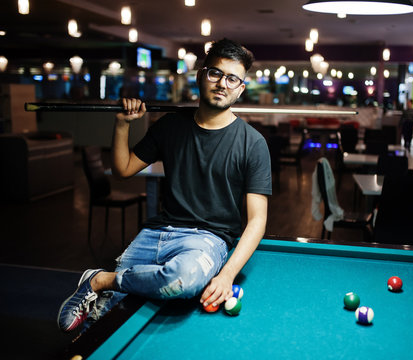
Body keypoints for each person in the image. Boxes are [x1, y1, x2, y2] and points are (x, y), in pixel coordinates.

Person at [57, 38, 272, 333]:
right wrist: (123, 125)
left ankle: (100, 279)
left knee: (182, 280)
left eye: (233, 79)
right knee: (102, 326)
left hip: (206, 240)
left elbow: (257, 221)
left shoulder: (253, 143)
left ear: (241, 88)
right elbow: (123, 169)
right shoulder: (171, 126)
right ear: (201, 75)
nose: (223, 84)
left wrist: (227, 275)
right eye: (216, 73)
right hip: (155, 235)